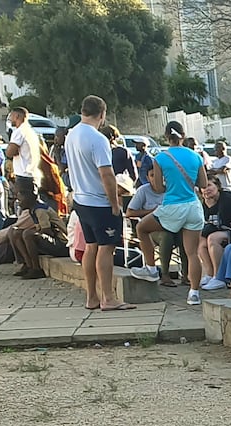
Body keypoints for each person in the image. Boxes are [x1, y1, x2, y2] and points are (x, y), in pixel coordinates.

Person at [65, 96, 133, 311]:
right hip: (98, 201)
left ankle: (92, 297)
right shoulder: (97, 139)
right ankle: (108, 298)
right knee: (107, 247)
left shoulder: (71, 135)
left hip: (81, 200)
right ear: (102, 115)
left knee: (91, 247)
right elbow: (107, 174)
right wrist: (114, 203)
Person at [133, 121, 207, 304]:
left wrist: (170, 183)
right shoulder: (195, 156)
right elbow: (203, 184)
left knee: (142, 228)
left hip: (172, 206)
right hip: (193, 206)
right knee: (192, 253)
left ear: (166, 137)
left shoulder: (161, 158)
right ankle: (194, 293)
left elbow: (158, 188)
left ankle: (151, 268)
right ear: (183, 135)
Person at [126, 162, 189, 287]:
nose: (156, 178)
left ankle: (186, 275)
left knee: (185, 237)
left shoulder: (172, 190)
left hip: (175, 226)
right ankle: (165, 275)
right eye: (152, 175)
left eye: (160, 175)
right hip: (151, 230)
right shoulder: (143, 191)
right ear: (148, 178)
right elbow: (129, 212)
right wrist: (152, 211)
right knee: (166, 236)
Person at [196, 178, 231, 295]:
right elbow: (207, 222)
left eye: (209, 186)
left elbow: (223, 222)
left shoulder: (227, 198)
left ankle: (219, 277)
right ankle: (209, 274)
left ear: (217, 186)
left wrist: (211, 206)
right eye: (203, 188)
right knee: (201, 240)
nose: (206, 190)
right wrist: (208, 204)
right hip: (225, 230)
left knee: (212, 238)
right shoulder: (207, 201)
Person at [6, 107, 41, 216]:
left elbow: (9, 152)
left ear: (17, 116)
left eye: (11, 116)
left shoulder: (19, 131)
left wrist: (11, 150)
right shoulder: (30, 131)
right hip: (32, 174)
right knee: (31, 206)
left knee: (27, 209)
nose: (10, 119)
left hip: (24, 175)